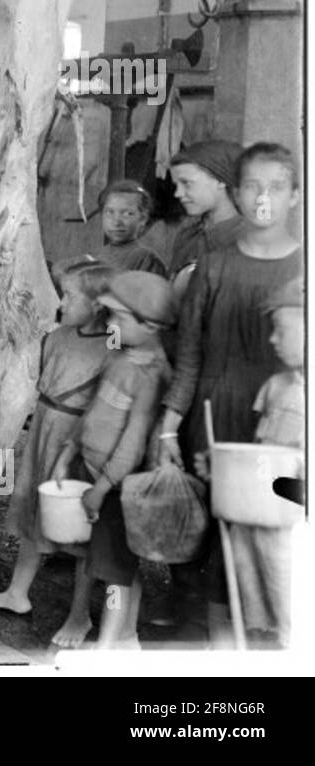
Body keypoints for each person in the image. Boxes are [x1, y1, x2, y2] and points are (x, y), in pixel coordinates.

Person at [157, 142, 303, 645]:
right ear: (237, 193)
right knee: (209, 541)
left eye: (276, 187)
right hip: (212, 417)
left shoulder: (303, 269)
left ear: (295, 196)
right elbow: (189, 356)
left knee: (272, 545)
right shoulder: (214, 266)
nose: (263, 199)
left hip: (279, 429)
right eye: (252, 187)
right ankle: (206, 639)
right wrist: (169, 428)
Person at [0, 257, 114, 647]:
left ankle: (80, 614)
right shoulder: (56, 336)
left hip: (79, 440)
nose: (61, 302)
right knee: (35, 514)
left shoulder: (111, 348)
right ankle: (17, 593)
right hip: (44, 431)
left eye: (69, 296)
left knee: (78, 531)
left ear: (97, 305)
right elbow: (24, 378)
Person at [53, 270, 176, 650]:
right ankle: (121, 636)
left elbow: (133, 444)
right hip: (90, 471)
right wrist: (68, 452)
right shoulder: (121, 355)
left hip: (115, 487)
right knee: (95, 557)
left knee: (115, 573)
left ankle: (108, 647)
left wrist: (103, 487)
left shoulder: (151, 375)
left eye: (118, 318)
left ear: (150, 325)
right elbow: (92, 412)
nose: (110, 325)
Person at [195, 275, 304, 647]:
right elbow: (258, 450)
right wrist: (225, 467)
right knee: (254, 612)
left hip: (290, 531)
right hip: (252, 522)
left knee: (293, 619)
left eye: (281, 330)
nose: (272, 339)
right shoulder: (276, 387)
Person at [165, 140, 244, 301]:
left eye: (186, 183)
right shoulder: (188, 235)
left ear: (220, 180)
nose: (178, 193)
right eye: (176, 185)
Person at [94, 180, 167, 276]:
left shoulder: (146, 259)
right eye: (109, 212)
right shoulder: (92, 257)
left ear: (143, 218)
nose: (116, 222)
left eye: (127, 214)